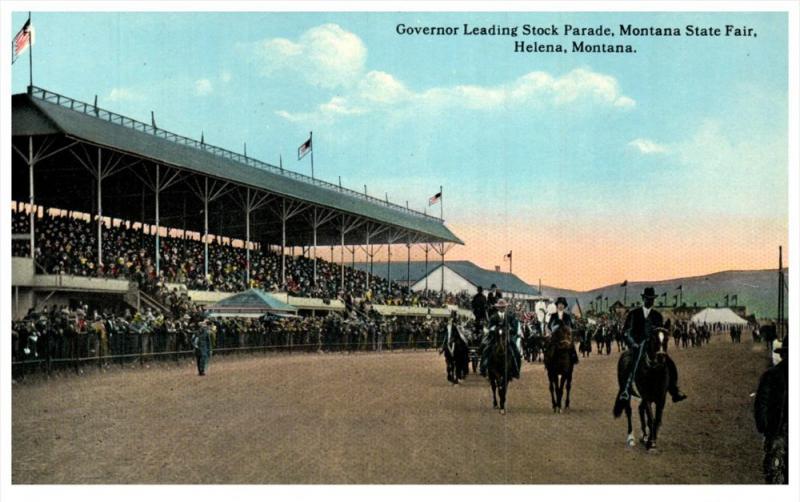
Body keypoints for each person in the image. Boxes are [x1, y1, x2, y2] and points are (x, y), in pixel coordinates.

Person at [618, 287, 687, 402]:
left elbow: (660, 332)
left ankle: (674, 390)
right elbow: (626, 332)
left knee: (670, 363)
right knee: (631, 364)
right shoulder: (634, 314)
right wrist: (633, 343)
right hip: (638, 345)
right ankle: (625, 389)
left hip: (653, 347)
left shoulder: (657, 316)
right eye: (647, 299)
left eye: (652, 299)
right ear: (643, 299)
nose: (650, 301)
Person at [754, 338, 788, 484]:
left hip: (778, 433)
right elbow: (761, 404)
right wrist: (766, 428)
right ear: (783, 355)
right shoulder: (772, 376)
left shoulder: (771, 375)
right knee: (776, 475)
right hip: (778, 432)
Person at [479, 298, 523, 379]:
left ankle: (516, 370)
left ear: (505, 307)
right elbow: (489, 328)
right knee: (486, 350)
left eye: (503, 307)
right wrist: (494, 329)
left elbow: (514, 329)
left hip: (507, 338)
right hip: (495, 338)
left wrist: (510, 329)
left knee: (515, 352)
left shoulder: (509, 317)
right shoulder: (493, 317)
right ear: (498, 308)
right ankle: (483, 368)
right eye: (500, 307)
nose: (502, 308)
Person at [547, 297, 579, 365]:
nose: (560, 306)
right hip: (556, 334)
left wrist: (566, 328)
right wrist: (554, 328)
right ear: (557, 305)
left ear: (564, 306)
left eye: (562, 304)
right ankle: (547, 361)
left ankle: (574, 358)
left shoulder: (567, 316)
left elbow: (571, 325)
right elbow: (549, 325)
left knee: (571, 345)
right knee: (549, 345)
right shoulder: (553, 315)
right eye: (559, 304)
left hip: (565, 335)